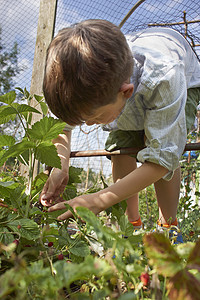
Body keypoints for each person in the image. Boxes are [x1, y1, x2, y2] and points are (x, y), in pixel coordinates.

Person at [40, 19, 200, 240]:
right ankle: (129, 226)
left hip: (184, 77)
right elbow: (62, 127)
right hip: (132, 85)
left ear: (125, 92)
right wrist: (61, 166)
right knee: (120, 147)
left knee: (164, 147)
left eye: (94, 117)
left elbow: (163, 157)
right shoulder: (81, 84)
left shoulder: (165, 77)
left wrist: (100, 199)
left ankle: (169, 227)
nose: (88, 124)